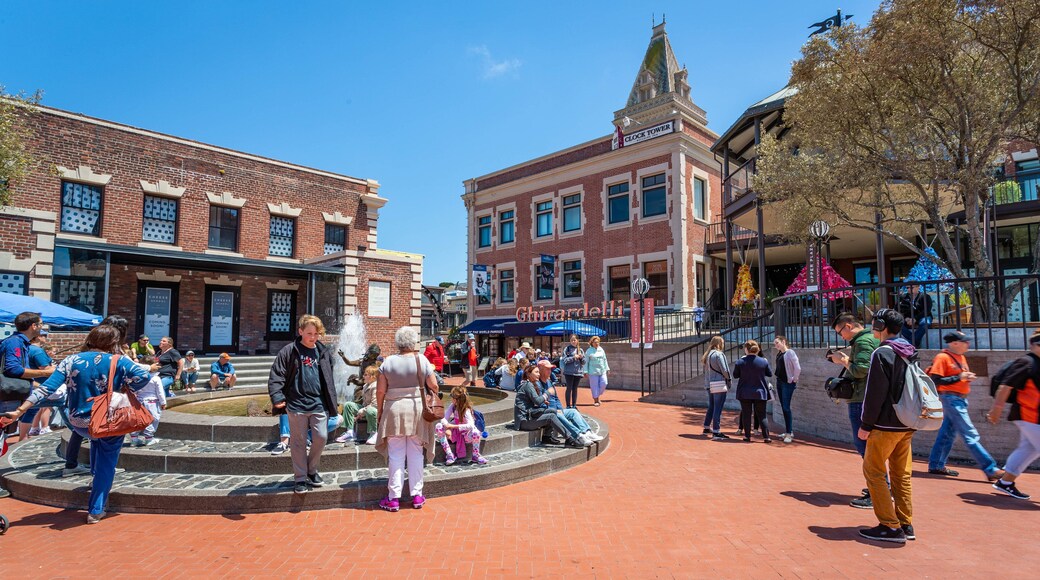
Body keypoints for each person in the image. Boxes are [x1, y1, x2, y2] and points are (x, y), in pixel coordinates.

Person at [1, 324, 151, 523]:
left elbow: (46, 388)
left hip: (79, 421)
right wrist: (125, 384)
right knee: (107, 460)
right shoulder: (119, 360)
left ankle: (95, 479)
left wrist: (20, 410)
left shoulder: (72, 360)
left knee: (97, 441)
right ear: (113, 342)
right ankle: (96, 510)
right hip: (108, 420)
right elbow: (144, 376)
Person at [857, 308, 916, 543]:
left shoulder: (882, 352)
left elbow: (874, 393)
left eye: (874, 324)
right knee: (902, 474)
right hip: (907, 422)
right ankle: (905, 523)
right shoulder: (910, 350)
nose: (872, 327)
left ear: (882, 326)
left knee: (873, 471)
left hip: (884, 424)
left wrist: (865, 424)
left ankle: (889, 526)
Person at [267, 315, 339, 494]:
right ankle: (300, 478)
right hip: (297, 404)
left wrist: (331, 400)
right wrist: (277, 397)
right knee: (298, 442)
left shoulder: (322, 352)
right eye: (309, 333)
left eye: (316, 333)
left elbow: (329, 377)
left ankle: (312, 470)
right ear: (300, 332)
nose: (313, 337)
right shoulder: (289, 351)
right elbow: (277, 375)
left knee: (321, 437)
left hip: (318, 403)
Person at [375, 326, 439, 512]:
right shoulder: (422, 360)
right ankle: (417, 495)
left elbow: (380, 391)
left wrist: (380, 411)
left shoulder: (387, 362)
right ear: (413, 343)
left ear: (398, 342)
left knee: (395, 455)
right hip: (417, 409)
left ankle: (393, 498)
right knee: (416, 452)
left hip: (394, 410)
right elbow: (433, 384)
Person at [927, 331, 1004, 481]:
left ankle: (936, 464)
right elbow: (936, 380)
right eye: (964, 341)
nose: (968, 344)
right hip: (951, 399)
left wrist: (965, 378)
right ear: (954, 343)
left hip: (959, 399)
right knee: (970, 434)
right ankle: (990, 468)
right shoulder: (942, 357)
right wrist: (959, 377)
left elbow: (958, 377)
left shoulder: (960, 357)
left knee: (947, 434)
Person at [829, 312, 881, 509]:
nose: (841, 336)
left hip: (861, 399)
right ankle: (879, 486)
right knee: (869, 447)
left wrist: (842, 360)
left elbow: (860, 369)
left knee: (864, 446)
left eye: (840, 331)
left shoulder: (863, 342)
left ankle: (880, 489)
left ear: (849, 326)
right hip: (864, 397)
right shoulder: (867, 340)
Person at [986, 329, 1040, 500]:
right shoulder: (1026, 362)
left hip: (1033, 417)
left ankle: (1006, 482)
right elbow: (1005, 386)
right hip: (1028, 415)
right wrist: (996, 409)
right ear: (1034, 345)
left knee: (1028, 449)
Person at [0, 312, 54, 450]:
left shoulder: (20, 342)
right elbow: (13, 369)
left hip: (10, 394)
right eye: (41, 324)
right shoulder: (14, 342)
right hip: (7, 396)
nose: (43, 327)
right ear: (34, 326)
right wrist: (46, 372)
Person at [513, 365, 579, 447]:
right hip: (523, 421)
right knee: (550, 416)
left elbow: (536, 401)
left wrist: (544, 399)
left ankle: (547, 436)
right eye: (536, 372)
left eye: (538, 372)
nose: (538, 374)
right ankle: (569, 438)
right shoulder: (528, 385)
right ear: (529, 374)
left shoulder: (531, 384)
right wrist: (547, 393)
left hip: (529, 415)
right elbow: (537, 401)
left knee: (552, 411)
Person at [536, 360, 598, 446]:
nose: (550, 371)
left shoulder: (549, 382)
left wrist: (560, 409)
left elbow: (556, 398)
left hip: (557, 410)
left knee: (573, 411)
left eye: (550, 369)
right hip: (548, 412)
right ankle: (578, 435)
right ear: (540, 370)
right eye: (547, 369)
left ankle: (587, 432)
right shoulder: (537, 384)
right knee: (558, 415)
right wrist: (554, 410)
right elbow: (539, 402)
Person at [436, 385, 487, 465]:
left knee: (476, 432)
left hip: (466, 434)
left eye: (452, 396)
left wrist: (452, 426)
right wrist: (447, 428)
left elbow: (471, 425)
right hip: (456, 432)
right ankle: (450, 454)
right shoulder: (452, 406)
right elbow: (444, 418)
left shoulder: (466, 410)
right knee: (438, 426)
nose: (450, 398)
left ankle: (475, 455)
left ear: (457, 400)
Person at [733, 340, 772, 443]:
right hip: (760, 391)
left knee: (746, 414)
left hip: (745, 392)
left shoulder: (740, 361)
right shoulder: (764, 361)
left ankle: (747, 436)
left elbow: (735, 375)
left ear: (746, 349)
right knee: (762, 414)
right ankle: (766, 437)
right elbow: (769, 373)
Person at [129, 355, 167, 447]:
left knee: (138, 419)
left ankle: (134, 438)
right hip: (152, 402)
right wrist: (163, 402)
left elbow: (134, 389)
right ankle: (149, 438)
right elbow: (160, 392)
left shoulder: (138, 377)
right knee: (153, 418)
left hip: (139, 401)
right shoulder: (155, 378)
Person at [701, 336, 731, 440]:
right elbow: (724, 369)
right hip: (718, 383)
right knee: (718, 407)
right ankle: (716, 431)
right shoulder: (718, 354)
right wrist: (728, 379)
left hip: (709, 384)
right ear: (719, 343)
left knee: (712, 406)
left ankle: (706, 426)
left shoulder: (708, 355)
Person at [774, 336, 801, 444]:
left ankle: (789, 434)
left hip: (787, 383)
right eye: (775, 344)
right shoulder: (779, 354)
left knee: (786, 407)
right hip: (780, 381)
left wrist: (793, 379)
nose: (776, 345)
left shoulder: (790, 353)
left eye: (777, 343)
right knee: (784, 407)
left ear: (783, 342)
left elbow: (797, 367)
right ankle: (788, 431)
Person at [27, 330, 55, 437]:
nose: (46, 337)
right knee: (47, 406)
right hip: (42, 384)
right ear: (37, 337)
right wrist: (58, 368)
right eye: (44, 335)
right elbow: (45, 368)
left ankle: (34, 428)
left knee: (34, 408)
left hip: (32, 383)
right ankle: (44, 427)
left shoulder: (28, 348)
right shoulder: (38, 351)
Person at [898, 283, 933, 348]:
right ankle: (915, 342)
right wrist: (906, 318)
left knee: (925, 323)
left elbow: (927, 310)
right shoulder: (903, 297)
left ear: (918, 287)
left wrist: (915, 318)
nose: (909, 289)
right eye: (907, 288)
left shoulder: (925, 296)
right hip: (908, 318)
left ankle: (911, 343)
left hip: (923, 316)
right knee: (897, 324)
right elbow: (898, 309)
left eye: (911, 287)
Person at [583, 336, 610, 406]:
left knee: (604, 383)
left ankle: (597, 395)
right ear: (592, 343)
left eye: (598, 342)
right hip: (593, 372)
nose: (597, 343)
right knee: (594, 386)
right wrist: (585, 371)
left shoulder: (601, 349)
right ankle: (596, 400)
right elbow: (586, 362)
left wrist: (607, 368)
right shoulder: (589, 351)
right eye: (595, 342)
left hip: (602, 370)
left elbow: (605, 359)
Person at [561, 334, 585, 408]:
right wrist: (573, 357)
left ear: (577, 340)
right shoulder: (567, 349)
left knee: (575, 389)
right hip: (569, 372)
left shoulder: (580, 350)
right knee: (569, 388)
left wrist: (581, 357)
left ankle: (574, 405)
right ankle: (568, 405)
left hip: (578, 372)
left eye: (574, 340)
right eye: (571, 340)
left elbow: (584, 362)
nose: (573, 342)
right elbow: (565, 360)